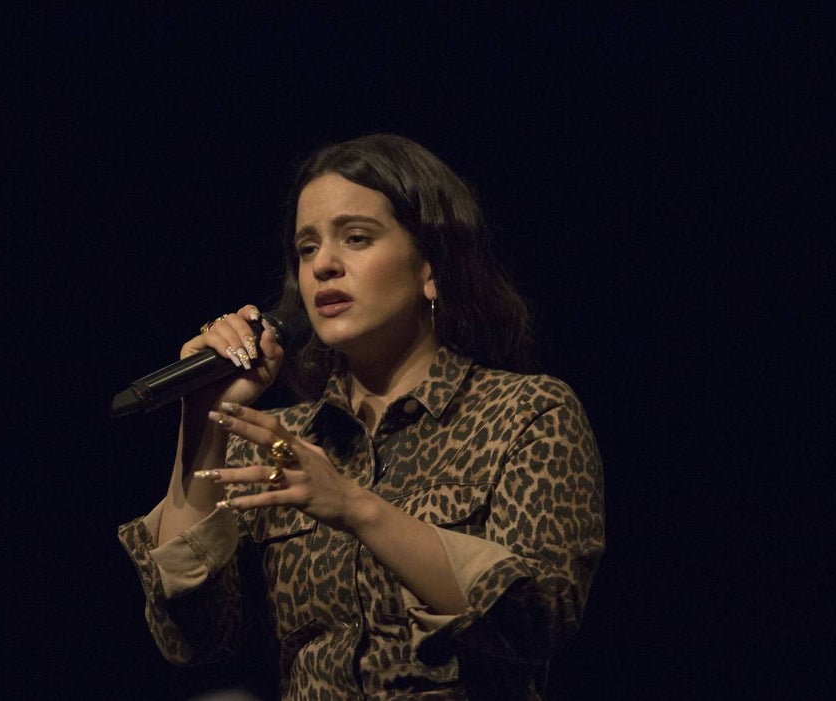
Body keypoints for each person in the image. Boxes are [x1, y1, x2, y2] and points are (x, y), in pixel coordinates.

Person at [118, 134, 605, 699]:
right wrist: (203, 416)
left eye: (356, 238)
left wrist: (354, 506)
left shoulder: (527, 414)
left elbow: (537, 619)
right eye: (306, 248)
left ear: (432, 268)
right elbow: (192, 639)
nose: (324, 264)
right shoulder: (277, 443)